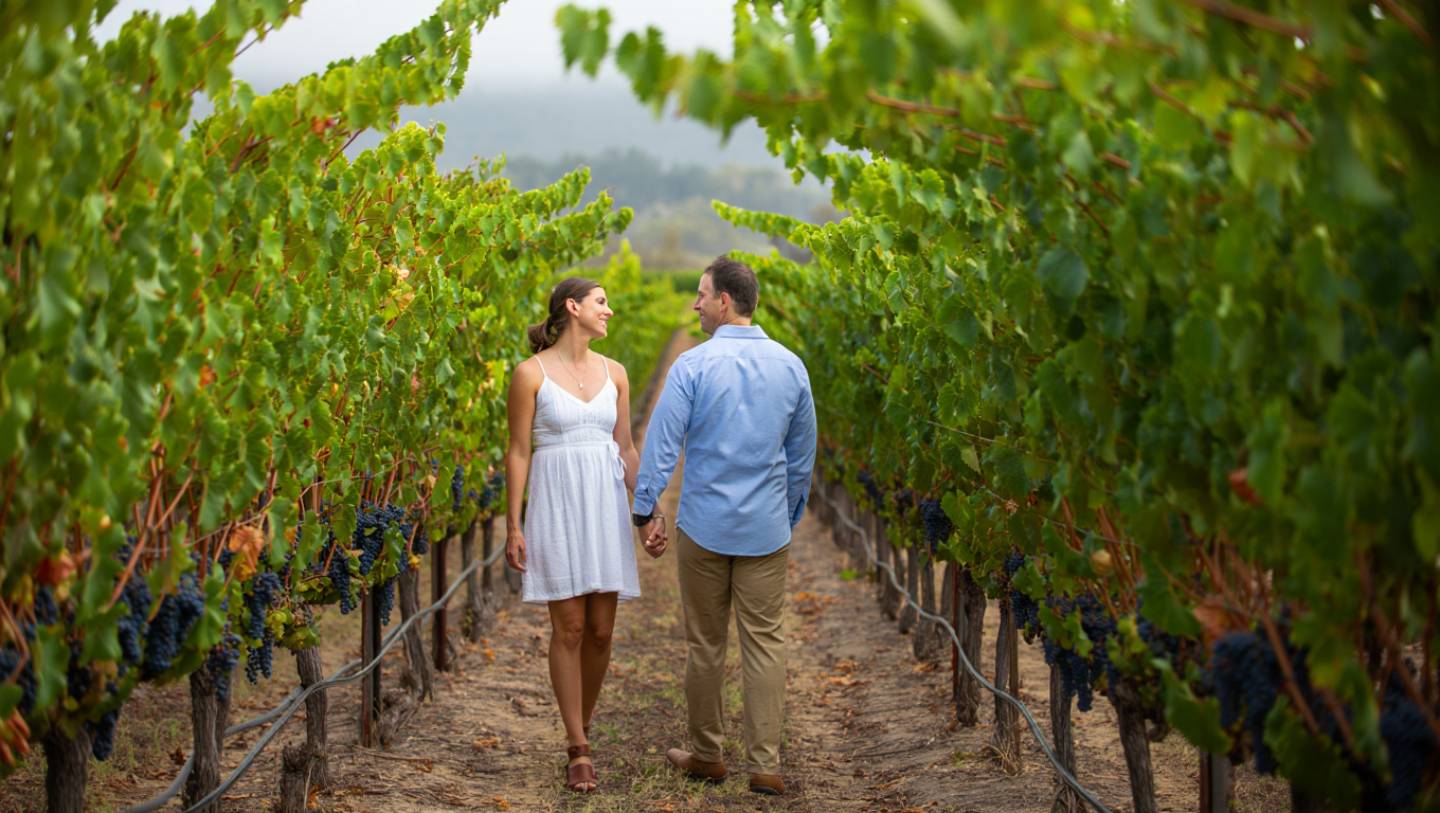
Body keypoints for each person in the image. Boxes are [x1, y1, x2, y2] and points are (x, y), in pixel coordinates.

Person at [631, 255, 817, 796]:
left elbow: (663, 446)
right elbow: (802, 457)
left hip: (705, 527)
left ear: (725, 302)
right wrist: (785, 517)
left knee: (705, 644)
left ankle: (708, 753)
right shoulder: (791, 366)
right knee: (764, 642)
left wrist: (647, 511)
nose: (695, 303)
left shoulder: (692, 367)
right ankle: (765, 764)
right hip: (765, 530)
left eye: (701, 294)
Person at [505, 276, 642, 793]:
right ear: (573, 307)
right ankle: (578, 746)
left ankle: (577, 726)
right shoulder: (529, 374)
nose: (610, 310)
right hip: (557, 504)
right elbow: (519, 452)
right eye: (601, 302)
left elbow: (625, 448)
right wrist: (513, 524)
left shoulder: (617, 373)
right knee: (569, 628)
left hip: (604, 505)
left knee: (602, 630)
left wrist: (646, 509)